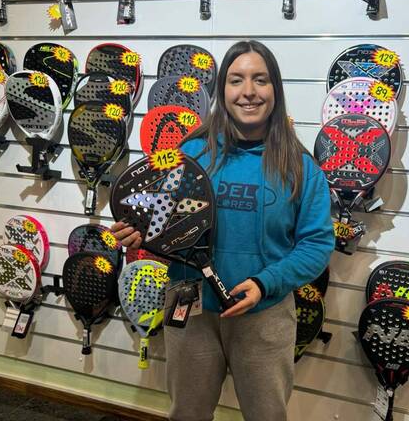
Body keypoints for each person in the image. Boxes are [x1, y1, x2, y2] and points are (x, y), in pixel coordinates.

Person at [111, 40, 334, 421]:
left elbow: (316, 244)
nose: (248, 91)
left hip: (265, 312)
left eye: (260, 79)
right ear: (222, 90)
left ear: (275, 89)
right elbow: (159, 220)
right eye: (236, 80)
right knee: (187, 414)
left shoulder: (300, 166)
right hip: (190, 308)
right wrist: (138, 234)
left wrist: (266, 283)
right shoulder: (190, 153)